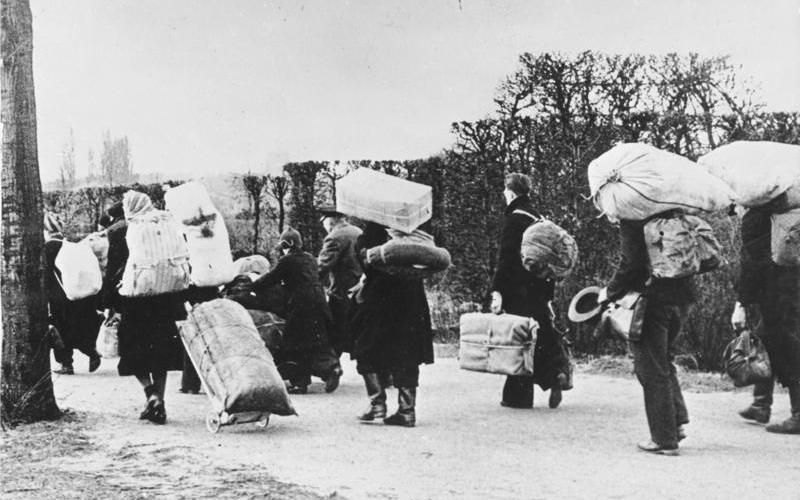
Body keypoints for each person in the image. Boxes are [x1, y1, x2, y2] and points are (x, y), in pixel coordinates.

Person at [603, 209, 695, 455]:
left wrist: (609, 292)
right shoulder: (674, 212)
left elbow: (630, 264)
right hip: (682, 296)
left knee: (650, 368)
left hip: (651, 301)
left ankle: (664, 440)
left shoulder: (632, 215)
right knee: (664, 360)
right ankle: (675, 423)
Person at [104, 191, 186, 424]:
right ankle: (160, 403)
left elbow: (113, 270)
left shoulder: (121, 230)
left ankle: (150, 394)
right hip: (165, 298)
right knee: (160, 351)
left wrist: (109, 303)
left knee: (133, 350)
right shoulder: (165, 224)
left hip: (134, 300)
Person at [490, 173, 569, 410]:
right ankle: (555, 375)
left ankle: (518, 397)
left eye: (505, 190)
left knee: (520, 339)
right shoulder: (539, 217)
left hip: (517, 288)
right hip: (540, 287)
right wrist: (548, 293)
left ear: (511, 192)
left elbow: (505, 259)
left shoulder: (514, 219)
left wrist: (497, 290)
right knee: (541, 335)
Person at [349, 222, 434, 427]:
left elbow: (366, 260)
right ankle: (407, 410)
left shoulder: (375, 227)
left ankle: (377, 404)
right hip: (412, 298)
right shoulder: (414, 228)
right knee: (407, 350)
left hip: (381, 297)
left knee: (365, 347)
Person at [731, 194, 800, 434]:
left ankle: (798, 414)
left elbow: (752, 263)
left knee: (787, 347)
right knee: (765, 338)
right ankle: (761, 404)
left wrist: (741, 303)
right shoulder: (784, 214)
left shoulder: (756, 218)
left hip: (777, 293)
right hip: (791, 288)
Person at [252, 228, 341, 394]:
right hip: (319, 302)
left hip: (301, 304)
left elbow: (271, 278)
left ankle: (300, 382)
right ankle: (332, 368)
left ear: (289, 244)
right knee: (318, 339)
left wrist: (252, 285)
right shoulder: (310, 259)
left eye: (283, 246)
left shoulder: (288, 260)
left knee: (294, 343)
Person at [44, 212, 103, 375]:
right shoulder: (67, 245)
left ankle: (66, 364)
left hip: (58, 297)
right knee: (77, 326)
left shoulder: (48, 247)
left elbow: (47, 275)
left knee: (60, 330)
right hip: (73, 292)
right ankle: (91, 351)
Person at [317, 206, 363, 355]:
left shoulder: (334, 237)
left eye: (322, 221)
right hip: (361, 291)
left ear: (329, 220)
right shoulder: (358, 232)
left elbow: (321, 267)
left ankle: (332, 372)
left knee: (334, 338)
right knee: (359, 337)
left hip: (341, 295)